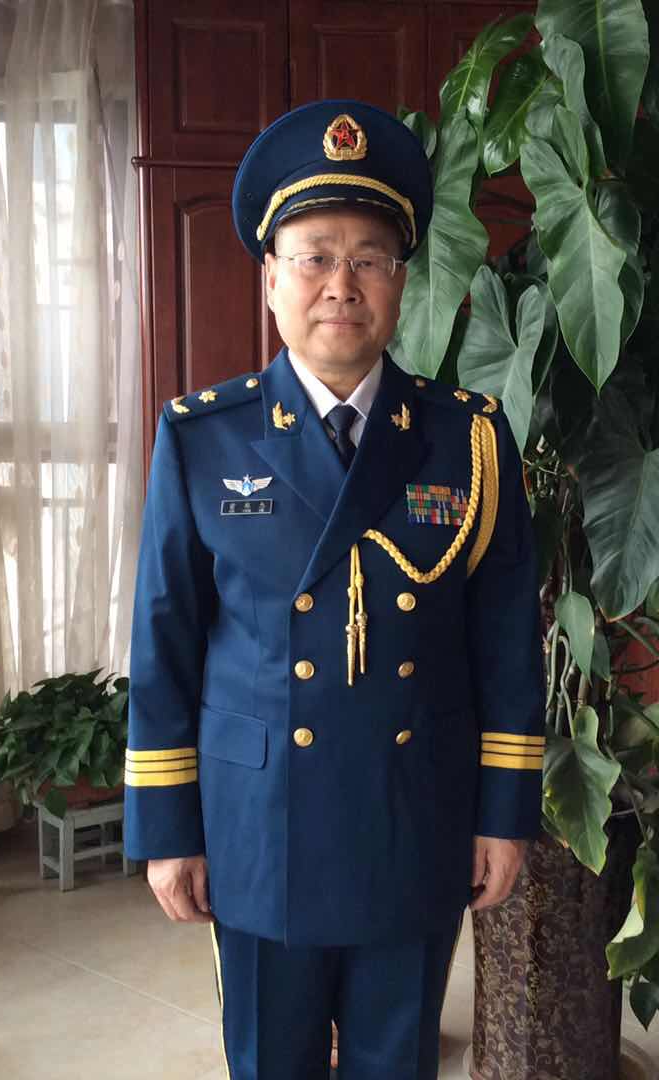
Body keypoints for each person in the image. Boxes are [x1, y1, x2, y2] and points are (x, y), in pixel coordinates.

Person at [122, 99, 544, 1080]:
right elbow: (164, 644)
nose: (340, 285)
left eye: (369, 258)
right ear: (272, 277)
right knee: (272, 1062)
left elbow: (504, 643)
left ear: (401, 281)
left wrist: (504, 812)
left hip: (415, 813)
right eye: (314, 256)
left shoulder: (468, 439)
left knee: (398, 1061)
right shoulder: (203, 437)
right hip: (259, 822)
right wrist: (168, 828)